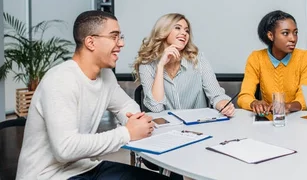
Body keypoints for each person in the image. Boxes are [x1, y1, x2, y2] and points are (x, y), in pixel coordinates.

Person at [16, 10, 166, 180]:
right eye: (114, 36)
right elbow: (65, 149)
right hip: (48, 176)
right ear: (90, 42)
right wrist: (127, 133)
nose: (121, 43)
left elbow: (125, 106)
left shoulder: (106, 75)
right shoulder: (60, 80)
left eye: (120, 36)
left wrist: (133, 121)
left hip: (84, 167)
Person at [134, 13, 234, 116]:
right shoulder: (146, 65)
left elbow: (217, 95)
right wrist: (160, 66)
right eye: (178, 28)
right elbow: (156, 108)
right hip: (166, 128)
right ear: (163, 30)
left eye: (187, 30)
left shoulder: (198, 59)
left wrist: (223, 105)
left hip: (198, 125)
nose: (184, 33)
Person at [237, 10, 307, 115]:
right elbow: (244, 96)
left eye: (295, 33)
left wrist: (287, 106)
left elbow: (305, 98)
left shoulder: (305, 57)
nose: (293, 38)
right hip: (270, 119)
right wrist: (254, 103)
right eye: (285, 33)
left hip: (296, 119)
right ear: (270, 35)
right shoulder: (256, 58)